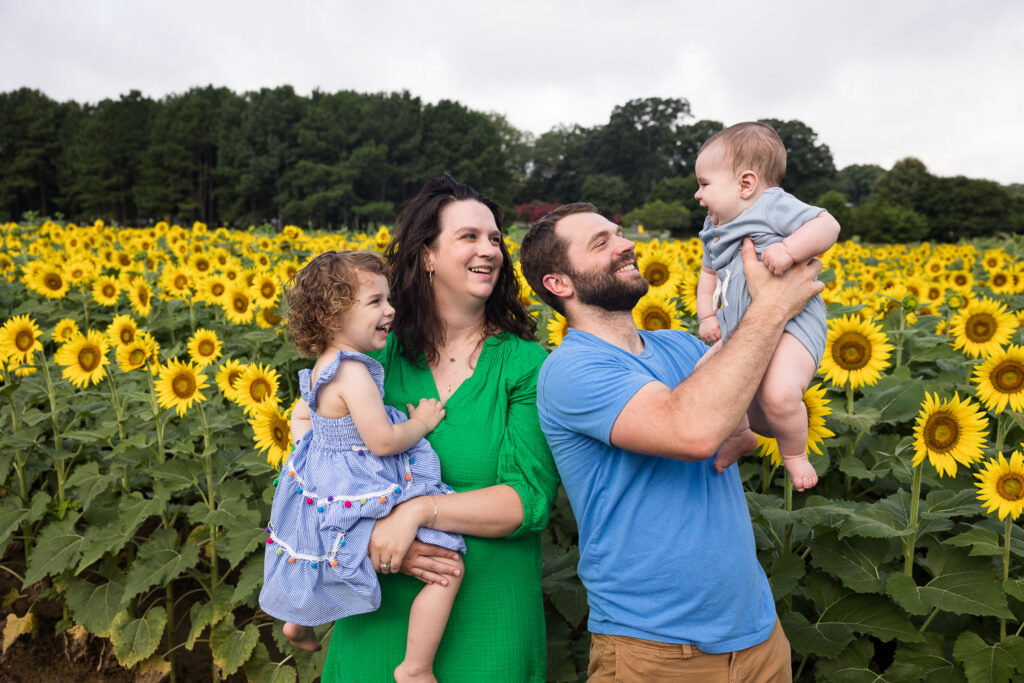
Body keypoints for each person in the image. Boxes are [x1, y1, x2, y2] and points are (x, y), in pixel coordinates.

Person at [519, 202, 824, 681]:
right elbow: (694, 432)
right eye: (602, 243)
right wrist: (769, 309)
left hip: (758, 635)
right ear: (559, 283)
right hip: (656, 647)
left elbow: (759, 416)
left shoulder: (681, 345)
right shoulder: (571, 370)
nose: (625, 245)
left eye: (618, 234)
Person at [292, 175, 560, 682]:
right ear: (427, 255)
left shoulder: (525, 365)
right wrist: (377, 537)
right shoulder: (373, 353)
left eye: (496, 239)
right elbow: (313, 457)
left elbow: (528, 500)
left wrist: (417, 512)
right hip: (378, 612)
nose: (490, 250)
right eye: (469, 237)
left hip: (489, 616)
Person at [261, 250, 466, 682]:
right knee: (448, 564)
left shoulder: (323, 367)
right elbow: (384, 441)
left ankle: (299, 620)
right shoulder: (353, 372)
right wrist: (421, 422)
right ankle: (415, 667)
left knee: (323, 552)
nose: (390, 310)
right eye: (374, 302)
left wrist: (320, 457)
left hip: (327, 488)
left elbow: (303, 416)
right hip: (360, 491)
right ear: (327, 315)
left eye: (388, 300)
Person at [695, 122, 840, 491]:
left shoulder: (771, 204)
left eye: (705, 184)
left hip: (793, 326)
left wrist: (790, 249)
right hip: (741, 330)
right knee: (704, 379)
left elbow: (828, 225)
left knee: (779, 394)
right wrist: (707, 315)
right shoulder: (713, 226)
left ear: (746, 184)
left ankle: (794, 454)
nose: (698, 194)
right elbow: (707, 274)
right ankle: (740, 433)